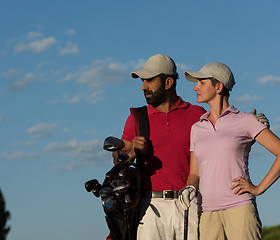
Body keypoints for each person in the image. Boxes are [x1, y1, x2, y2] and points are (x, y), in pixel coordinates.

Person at [113, 54, 269, 240]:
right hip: (149, 206)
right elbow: (118, 159)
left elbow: (228, 133)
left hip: (190, 204)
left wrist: (253, 126)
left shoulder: (197, 114)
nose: (143, 86)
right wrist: (130, 153)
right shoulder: (137, 117)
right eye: (143, 81)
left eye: (149, 80)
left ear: (168, 82)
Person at [180, 62, 280, 240]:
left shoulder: (246, 120)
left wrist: (258, 188)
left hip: (240, 208)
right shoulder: (197, 128)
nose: (195, 87)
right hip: (206, 212)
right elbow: (194, 172)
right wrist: (189, 188)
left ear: (218, 86)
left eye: (201, 83)